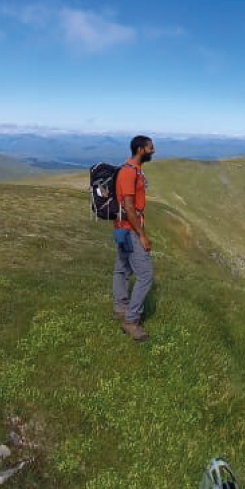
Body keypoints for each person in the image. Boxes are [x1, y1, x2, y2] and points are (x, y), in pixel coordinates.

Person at [113, 135, 155, 342]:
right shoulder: (129, 173)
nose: (153, 151)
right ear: (140, 150)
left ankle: (120, 308)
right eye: (150, 148)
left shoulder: (132, 170)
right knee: (146, 274)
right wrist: (142, 236)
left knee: (121, 268)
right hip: (129, 229)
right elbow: (129, 207)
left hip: (121, 229)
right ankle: (131, 321)